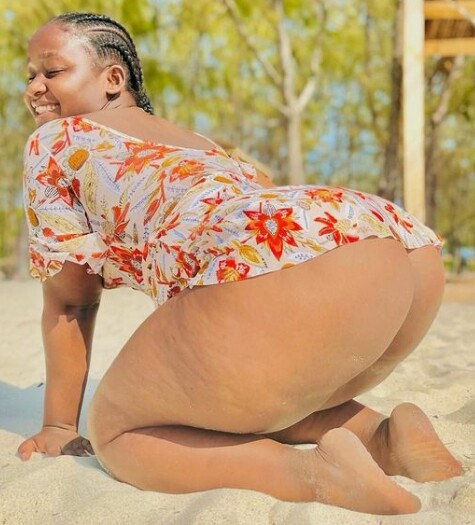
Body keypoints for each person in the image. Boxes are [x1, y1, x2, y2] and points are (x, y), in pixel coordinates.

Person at [19, 11, 463, 515]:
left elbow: (71, 302)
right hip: (399, 252)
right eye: (28, 76)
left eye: (52, 71)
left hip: (296, 263)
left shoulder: (55, 140)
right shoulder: (199, 144)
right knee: (250, 399)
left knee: (117, 429)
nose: (35, 87)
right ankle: (385, 437)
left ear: (113, 79)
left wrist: (58, 426)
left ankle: (317, 475)